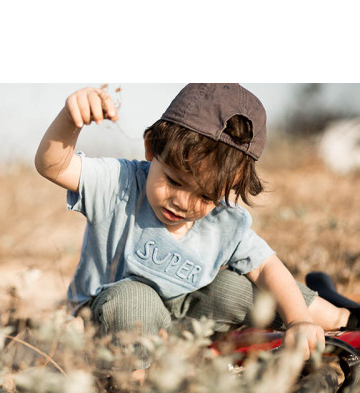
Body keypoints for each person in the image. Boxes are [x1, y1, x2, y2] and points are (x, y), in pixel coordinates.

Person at [35, 84, 359, 368]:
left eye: (205, 195)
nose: (184, 203)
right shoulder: (118, 185)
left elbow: (265, 267)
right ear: (151, 147)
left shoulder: (221, 219)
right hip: (112, 320)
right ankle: (137, 388)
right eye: (174, 181)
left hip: (184, 322)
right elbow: (53, 165)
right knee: (134, 298)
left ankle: (342, 319)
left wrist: (300, 319)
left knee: (237, 288)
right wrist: (70, 118)